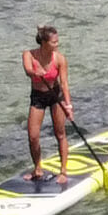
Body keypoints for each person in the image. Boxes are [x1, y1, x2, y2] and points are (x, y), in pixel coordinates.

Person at [22, 24, 74, 185]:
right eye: (54, 42)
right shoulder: (29, 55)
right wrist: (34, 72)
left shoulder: (59, 59)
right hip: (38, 97)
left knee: (60, 134)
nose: (57, 45)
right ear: (44, 42)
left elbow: (64, 83)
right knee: (33, 136)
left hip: (55, 95)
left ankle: (63, 171)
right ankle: (37, 168)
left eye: (57, 42)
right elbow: (28, 70)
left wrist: (68, 106)